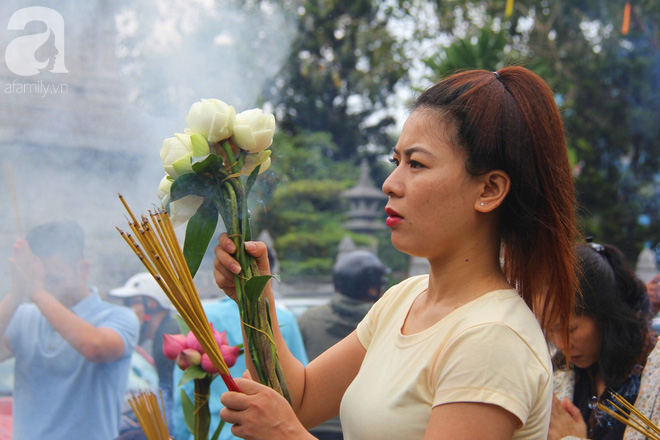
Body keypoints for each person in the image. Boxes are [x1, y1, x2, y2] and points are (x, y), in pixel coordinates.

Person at [213, 66, 580, 440]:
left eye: (417, 164)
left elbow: (288, 421)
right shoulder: (403, 299)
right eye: (396, 162)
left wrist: (285, 434)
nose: (390, 184)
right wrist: (255, 295)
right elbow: (300, 399)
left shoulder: (492, 337)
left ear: (489, 190)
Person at [0, 220, 139, 440]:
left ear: (82, 269)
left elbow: (96, 347)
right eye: (37, 279)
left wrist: (36, 292)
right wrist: (14, 295)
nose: (46, 288)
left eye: (53, 279)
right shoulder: (24, 316)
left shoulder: (118, 317)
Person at [171, 251, 309, 440]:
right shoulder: (285, 319)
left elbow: (184, 391)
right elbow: (300, 389)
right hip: (270, 433)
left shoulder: (202, 315)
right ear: (271, 272)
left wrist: (181, 435)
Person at [549, 241, 660, 440]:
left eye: (571, 330)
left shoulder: (654, 374)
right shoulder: (565, 376)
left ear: (606, 315)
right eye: (550, 332)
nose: (560, 344)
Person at [297, 250, 388, 440]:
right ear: (373, 288)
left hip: (306, 425)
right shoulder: (388, 323)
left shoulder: (308, 319)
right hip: (361, 428)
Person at [109, 272, 180, 430]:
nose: (128, 311)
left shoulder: (168, 339)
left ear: (151, 304)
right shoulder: (164, 335)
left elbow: (175, 400)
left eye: (132, 303)